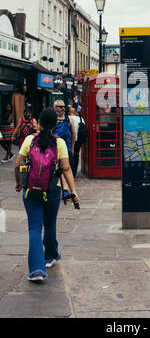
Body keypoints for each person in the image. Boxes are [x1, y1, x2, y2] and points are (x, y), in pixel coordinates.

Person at [14, 108, 80, 283]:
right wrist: (73, 191)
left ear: (39, 123)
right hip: (52, 190)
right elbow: (66, 169)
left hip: (31, 190)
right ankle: (50, 256)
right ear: (55, 125)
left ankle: (36, 269)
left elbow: (17, 164)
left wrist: (19, 182)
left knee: (35, 229)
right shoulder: (59, 143)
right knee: (50, 224)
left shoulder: (29, 140)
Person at [52, 100, 76, 198]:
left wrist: (73, 148)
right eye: (60, 106)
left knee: (66, 168)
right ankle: (62, 189)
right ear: (55, 107)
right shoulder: (52, 119)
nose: (62, 109)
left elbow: (73, 133)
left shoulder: (68, 118)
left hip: (67, 149)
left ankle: (66, 189)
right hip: (54, 148)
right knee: (58, 169)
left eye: (63, 107)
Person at [68, 107, 86, 177]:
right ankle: (74, 172)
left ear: (69, 112)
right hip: (78, 140)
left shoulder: (68, 118)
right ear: (75, 112)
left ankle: (70, 172)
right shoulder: (80, 119)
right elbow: (84, 128)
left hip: (69, 139)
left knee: (69, 156)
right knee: (76, 155)